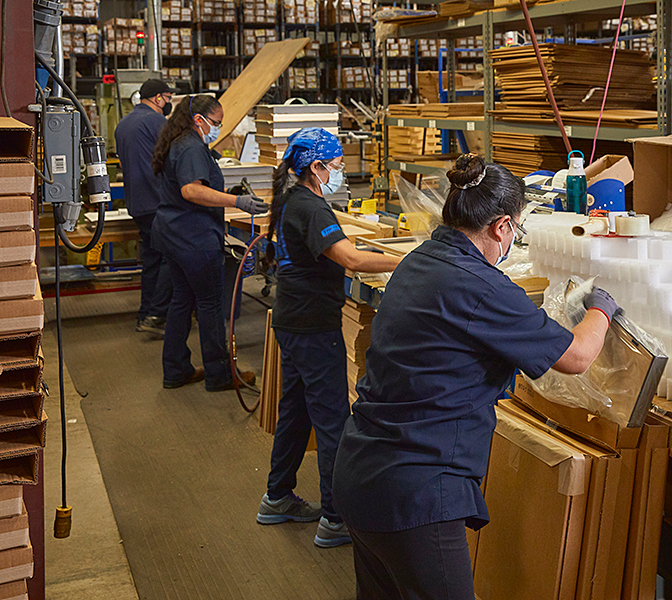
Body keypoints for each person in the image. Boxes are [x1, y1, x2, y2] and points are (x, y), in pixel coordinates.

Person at [332, 154, 619, 598]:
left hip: (361, 473)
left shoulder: (419, 259)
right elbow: (577, 356)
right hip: (416, 492)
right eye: (517, 229)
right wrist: (602, 306)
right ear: (503, 226)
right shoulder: (480, 285)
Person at [255, 128, 402, 549]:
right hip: (312, 327)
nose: (339, 173)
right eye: (336, 167)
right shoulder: (310, 206)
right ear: (316, 168)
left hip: (293, 321)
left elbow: (334, 248)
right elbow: (351, 259)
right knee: (333, 419)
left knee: (297, 412)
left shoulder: (291, 199)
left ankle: (277, 496)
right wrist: (410, 258)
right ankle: (336, 518)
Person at [150, 95, 269, 391]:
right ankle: (220, 374)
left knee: (182, 300)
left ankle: (175, 369)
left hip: (174, 235)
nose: (218, 128)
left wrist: (226, 192)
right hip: (193, 238)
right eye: (216, 123)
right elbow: (191, 190)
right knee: (211, 304)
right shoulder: (190, 145)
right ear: (198, 120)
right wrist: (237, 201)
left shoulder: (179, 142)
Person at [114, 78, 175, 337]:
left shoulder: (122, 124)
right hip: (158, 200)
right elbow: (173, 158)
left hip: (138, 203)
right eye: (168, 97)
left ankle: (145, 314)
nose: (169, 102)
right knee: (172, 257)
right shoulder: (158, 122)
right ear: (158, 98)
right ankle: (155, 315)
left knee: (152, 259)